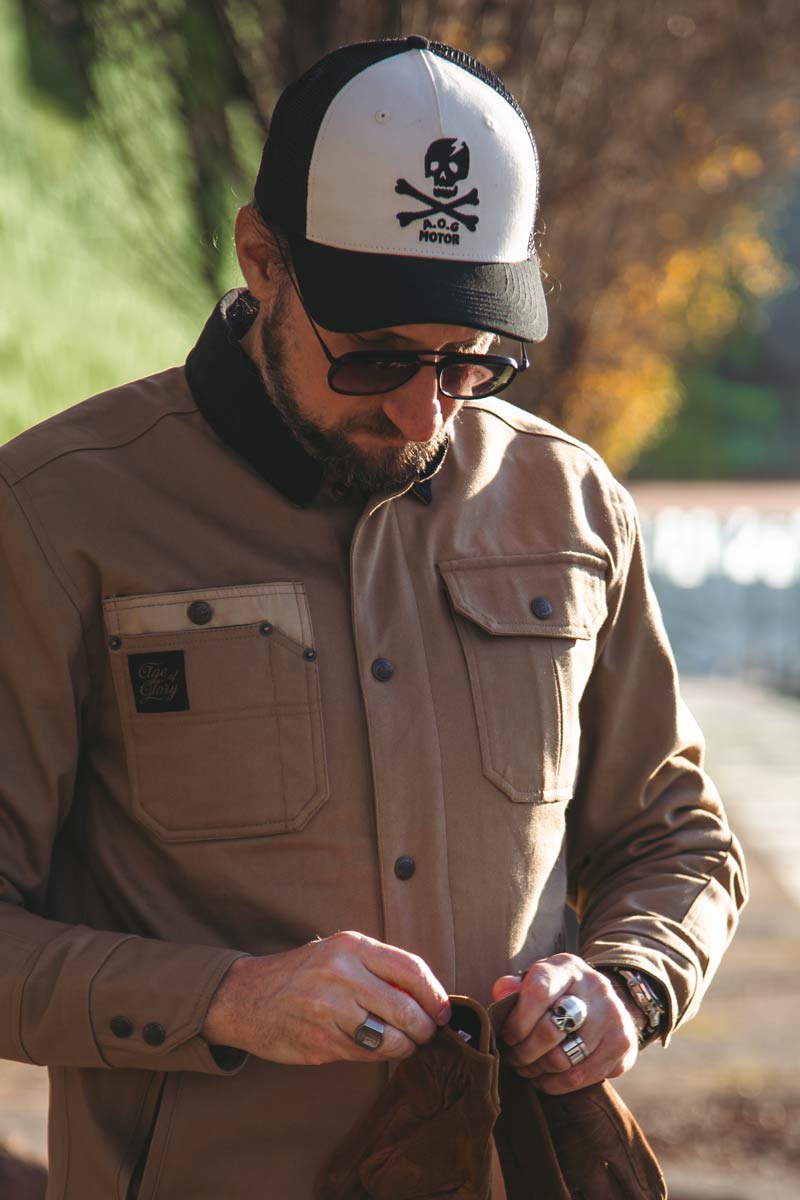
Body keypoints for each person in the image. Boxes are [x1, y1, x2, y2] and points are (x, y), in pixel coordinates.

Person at [0, 34, 746, 1199]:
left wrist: (629, 983)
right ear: (261, 259)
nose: (418, 408)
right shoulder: (52, 517)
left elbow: (674, 841)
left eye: (467, 362)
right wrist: (229, 1001)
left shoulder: (573, 502)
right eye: (376, 356)